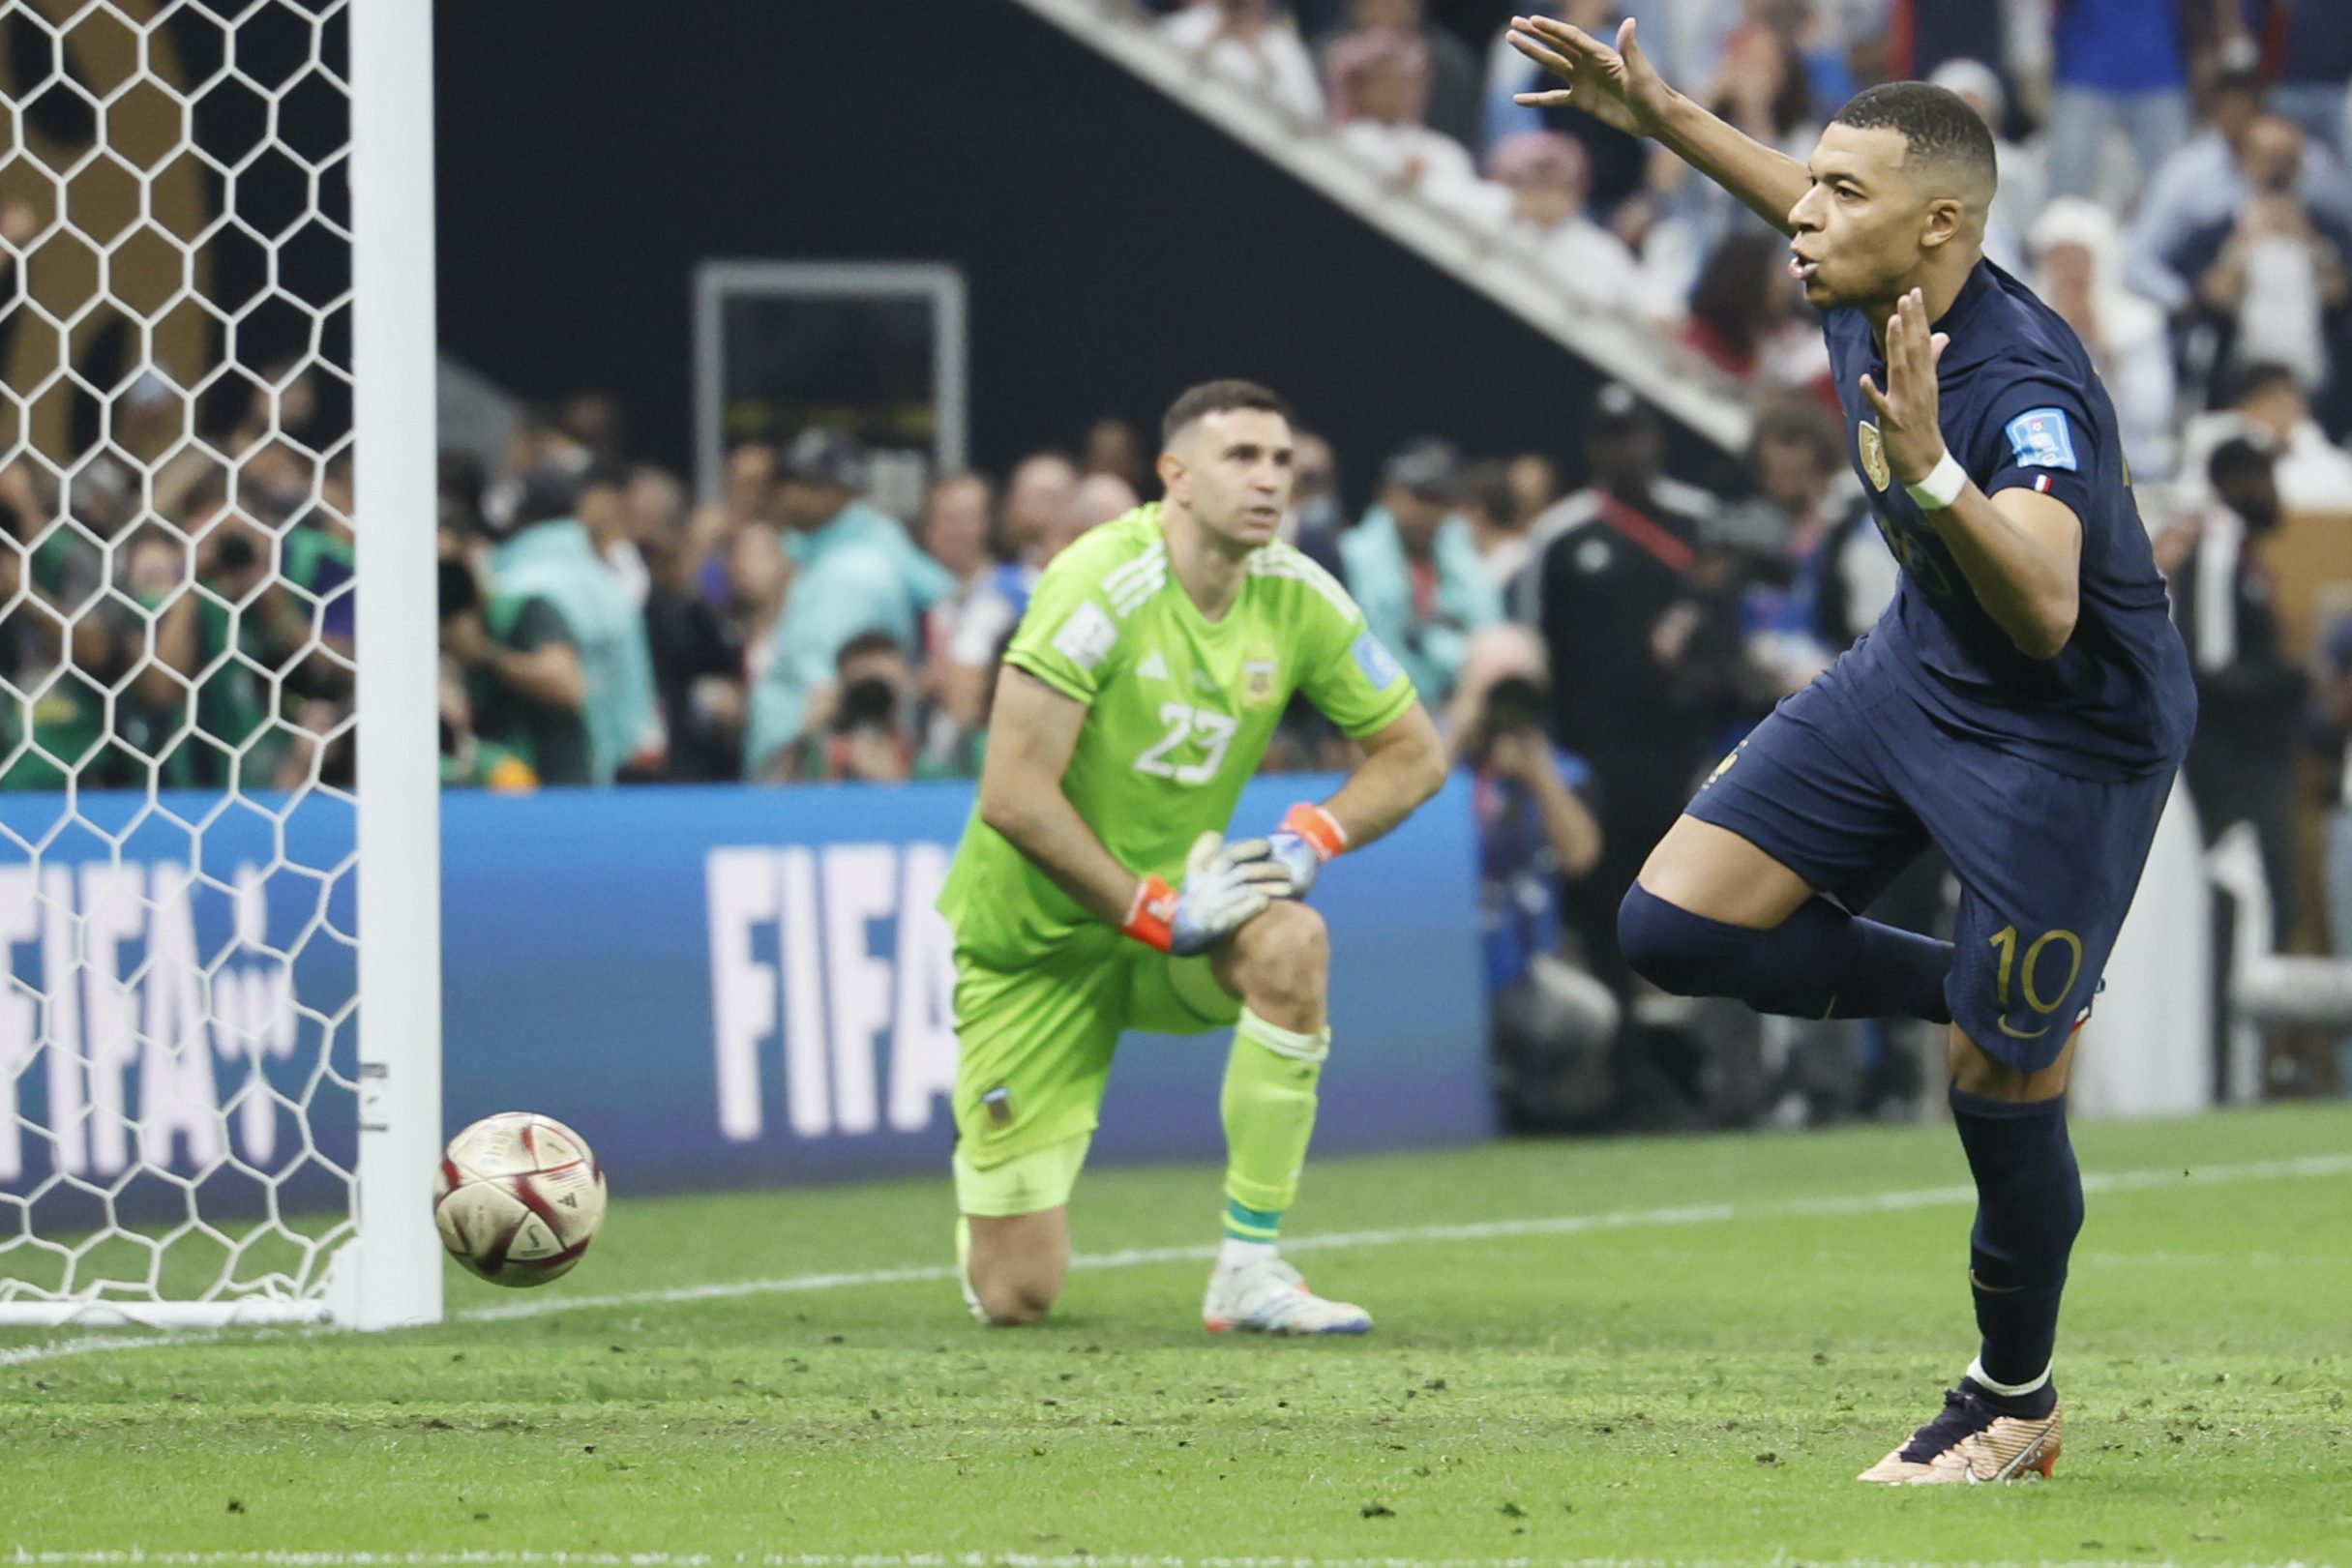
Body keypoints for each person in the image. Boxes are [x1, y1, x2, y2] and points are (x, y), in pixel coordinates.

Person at [1510, 17, 2195, 1482]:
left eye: (1838, 192)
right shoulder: (1862, 264)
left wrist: (1937, 466)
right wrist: (1663, 116)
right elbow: (1787, 195)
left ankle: (2010, 1399)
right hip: (1912, 676)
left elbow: (2045, 606)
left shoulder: (2020, 382)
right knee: (1667, 923)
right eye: (1809, 186)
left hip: (2065, 739)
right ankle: (2000, 993)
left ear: (1936, 224)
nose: (1802, 218)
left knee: (1993, 1092)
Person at [938, 379, 1446, 1333]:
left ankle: (1248, 1270)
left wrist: (1309, 838)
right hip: (1035, 944)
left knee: (1292, 941)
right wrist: (1145, 909)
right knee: (1019, 1296)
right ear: (1172, 474)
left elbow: (1417, 753)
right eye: (1240, 458)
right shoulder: (1100, 582)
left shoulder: (1295, 596)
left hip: (1183, 917)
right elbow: (1011, 793)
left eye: (1282, 462)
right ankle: (994, 1227)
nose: (1268, 481)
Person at [741, 429, 952, 779]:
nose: (788, 494)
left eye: (807, 485)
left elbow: (836, 685)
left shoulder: (854, 569)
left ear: (844, 492)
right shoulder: (818, 551)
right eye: (787, 482)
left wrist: (809, 751)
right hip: (796, 757)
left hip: (820, 769)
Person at [491, 459, 664, 784]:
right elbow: (635, 692)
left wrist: (485, 655)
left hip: (533, 774)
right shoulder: (608, 583)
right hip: (609, 775)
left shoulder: (510, 580)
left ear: (522, 517)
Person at [1337, 438, 1503, 709]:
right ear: (1389, 492)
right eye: (1421, 497)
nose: (1429, 511)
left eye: (1441, 500)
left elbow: (1490, 640)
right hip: (1371, 710)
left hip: (1455, 710)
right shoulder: (1350, 557)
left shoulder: (1466, 564)